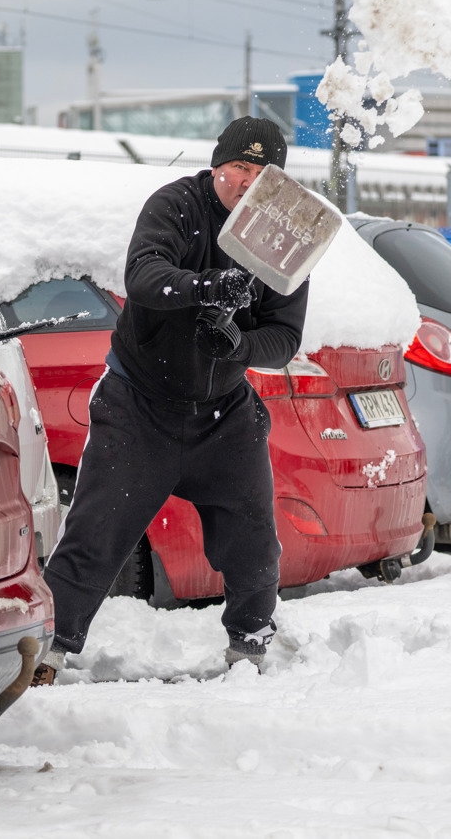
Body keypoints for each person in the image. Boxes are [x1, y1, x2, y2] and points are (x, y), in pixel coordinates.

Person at [33, 117, 309, 686]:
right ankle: (49, 651)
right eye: (237, 168)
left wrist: (240, 344)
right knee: (95, 532)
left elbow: (285, 338)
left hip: (223, 412)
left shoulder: (283, 232)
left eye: (260, 175)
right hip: (140, 405)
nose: (244, 182)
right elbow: (143, 275)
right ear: (217, 167)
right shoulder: (177, 205)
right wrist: (205, 288)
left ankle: (250, 646)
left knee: (255, 544)